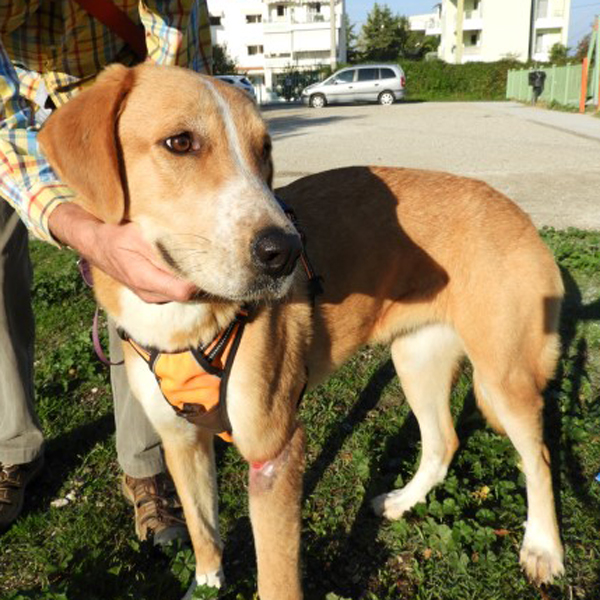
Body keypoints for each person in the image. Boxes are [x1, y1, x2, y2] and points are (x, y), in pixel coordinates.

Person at [0, 0, 212, 545]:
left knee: (143, 265)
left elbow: (179, 77)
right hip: (11, 99)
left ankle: (146, 461)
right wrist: (83, 231)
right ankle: (12, 445)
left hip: (117, 96)